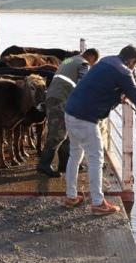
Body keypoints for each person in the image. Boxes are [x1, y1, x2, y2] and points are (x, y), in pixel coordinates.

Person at [63, 45, 136, 215]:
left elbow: (102, 87)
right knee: (96, 159)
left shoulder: (106, 61)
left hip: (70, 111)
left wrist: (117, 96)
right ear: (131, 61)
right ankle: (98, 203)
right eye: (135, 65)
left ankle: (71, 196)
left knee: (75, 154)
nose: (134, 68)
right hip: (86, 118)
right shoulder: (124, 71)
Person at [37, 48, 100, 177]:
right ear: (91, 57)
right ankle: (43, 164)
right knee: (57, 134)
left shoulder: (69, 60)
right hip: (61, 99)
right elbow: (84, 84)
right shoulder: (83, 64)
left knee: (66, 132)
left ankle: (64, 164)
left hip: (54, 96)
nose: (92, 65)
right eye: (94, 62)